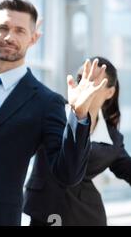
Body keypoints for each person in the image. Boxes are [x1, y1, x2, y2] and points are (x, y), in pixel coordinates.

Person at [0, 0, 108, 225]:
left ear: (34, 38)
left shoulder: (46, 102)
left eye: (19, 30)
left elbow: (68, 174)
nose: (9, 37)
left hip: (0, 218)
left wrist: (79, 115)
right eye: (2, 28)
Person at [24, 57, 131, 226]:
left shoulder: (113, 138)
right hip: (45, 213)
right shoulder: (54, 110)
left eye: (93, 80)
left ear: (110, 92)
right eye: (81, 78)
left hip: (87, 216)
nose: (85, 85)